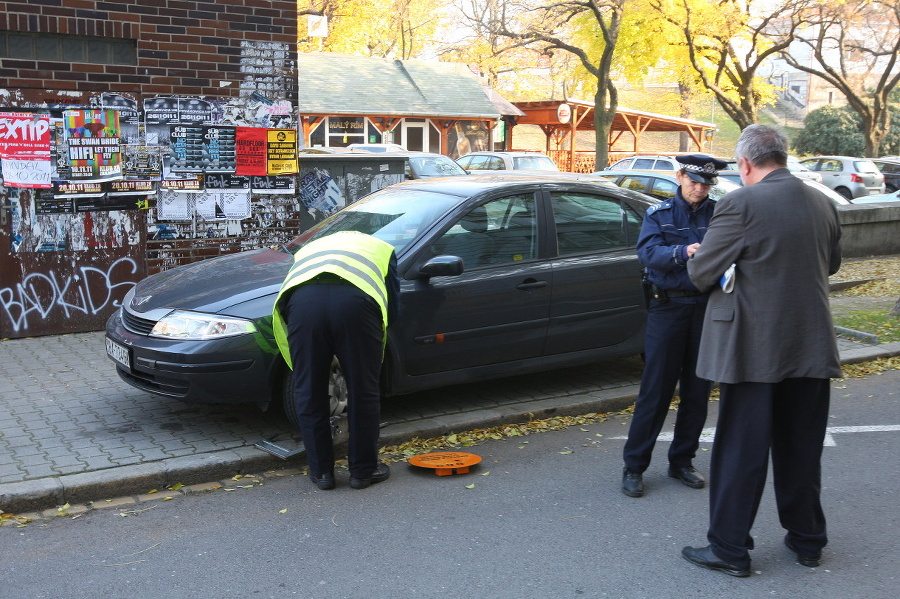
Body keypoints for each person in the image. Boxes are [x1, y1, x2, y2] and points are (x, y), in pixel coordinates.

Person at [681, 125, 842, 577]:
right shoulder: (823, 202)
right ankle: (808, 540)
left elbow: (703, 271)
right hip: (810, 346)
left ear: (746, 164)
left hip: (753, 349)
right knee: (801, 449)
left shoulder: (740, 202)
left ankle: (730, 549)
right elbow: (829, 264)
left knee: (740, 451)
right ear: (783, 157)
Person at [620, 154, 727, 498]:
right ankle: (634, 466)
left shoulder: (720, 213)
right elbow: (648, 254)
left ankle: (682, 461)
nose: (699, 189)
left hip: (705, 308)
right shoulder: (660, 214)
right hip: (668, 308)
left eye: (706, 184)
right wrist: (684, 252)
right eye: (694, 181)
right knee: (656, 392)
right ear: (680, 176)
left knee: (697, 392)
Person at [272, 230, 400, 490]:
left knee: (308, 390)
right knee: (363, 390)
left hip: (304, 305)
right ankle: (363, 471)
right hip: (356, 306)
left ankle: (321, 473)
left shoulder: (309, 249)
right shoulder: (382, 249)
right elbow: (393, 305)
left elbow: (288, 293)